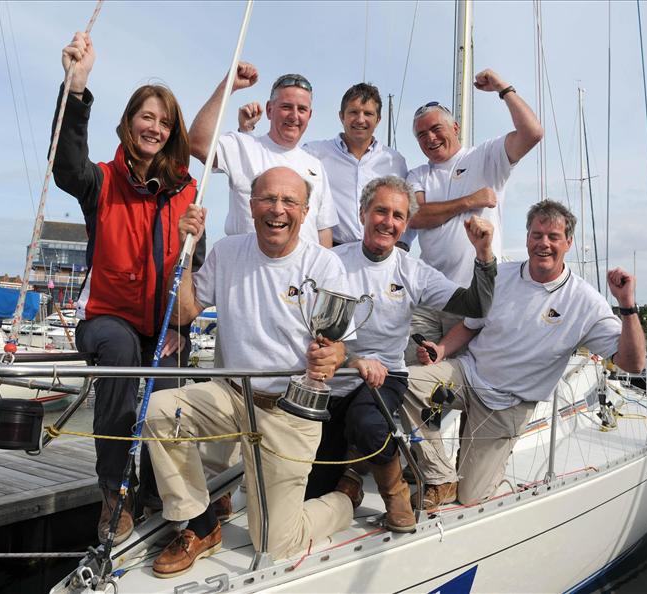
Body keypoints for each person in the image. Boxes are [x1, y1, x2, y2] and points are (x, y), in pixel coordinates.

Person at [144, 166, 361, 578]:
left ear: (305, 211)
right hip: (231, 395)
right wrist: (184, 251)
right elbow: (183, 313)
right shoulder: (228, 252)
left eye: (289, 201)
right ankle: (201, 524)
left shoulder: (325, 264)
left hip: (290, 411)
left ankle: (343, 500)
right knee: (160, 410)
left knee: (274, 543)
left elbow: (338, 345)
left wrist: (330, 358)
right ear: (251, 205)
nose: (277, 210)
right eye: (267, 199)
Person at [52, 32, 206, 545]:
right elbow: (65, 167)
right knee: (119, 354)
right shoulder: (100, 180)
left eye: (164, 121)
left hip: (163, 327)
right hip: (108, 320)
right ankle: (114, 492)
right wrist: (76, 88)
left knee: (172, 388)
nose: (155, 128)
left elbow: (193, 287)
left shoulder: (188, 194)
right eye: (147, 117)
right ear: (129, 122)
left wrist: (183, 329)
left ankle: (167, 492)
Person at [402, 200, 646, 509]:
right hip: (466, 377)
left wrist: (627, 304)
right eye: (536, 234)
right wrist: (441, 350)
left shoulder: (585, 302)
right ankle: (440, 476)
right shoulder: (499, 276)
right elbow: (469, 326)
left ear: (568, 242)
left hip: (508, 404)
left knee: (471, 498)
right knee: (403, 383)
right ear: (527, 238)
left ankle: (481, 478)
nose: (543, 243)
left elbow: (633, 363)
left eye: (553, 236)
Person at [305, 175, 496, 533]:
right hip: (335, 376)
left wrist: (484, 256)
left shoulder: (413, 271)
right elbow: (313, 330)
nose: (388, 222)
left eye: (398, 216)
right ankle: (346, 486)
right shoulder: (329, 262)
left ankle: (395, 494)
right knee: (315, 490)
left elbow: (476, 305)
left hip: (385, 377)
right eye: (380, 211)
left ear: (406, 225)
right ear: (363, 212)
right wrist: (350, 361)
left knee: (367, 422)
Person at [404, 68, 544, 365]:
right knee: (417, 378)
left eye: (435, 129)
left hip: (474, 295)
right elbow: (415, 217)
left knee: (468, 384)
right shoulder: (418, 175)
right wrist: (470, 200)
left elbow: (533, 133)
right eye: (421, 135)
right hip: (428, 296)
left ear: (455, 127)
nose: (429, 138)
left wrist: (503, 89)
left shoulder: (486, 156)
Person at [245, 82, 412, 249]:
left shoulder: (395, 161)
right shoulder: (314, 153)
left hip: (381, 252)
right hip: (336, 250)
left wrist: (403, 245)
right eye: (353, 112)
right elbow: (275, 165)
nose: (360, 119)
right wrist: (247, 131)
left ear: (378, 119)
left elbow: (405, 208)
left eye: (368, 113)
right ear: (341, 116)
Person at [189, 63, 337, 247]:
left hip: (303, 274)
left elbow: (323, 230)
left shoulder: (316, 166)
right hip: (246, 269)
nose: (294, 116)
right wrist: (228, 86)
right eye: (286, 107)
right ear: (269, 110)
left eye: (302, 109)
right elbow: (197, 143)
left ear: (310, 115)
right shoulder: (243, 146)